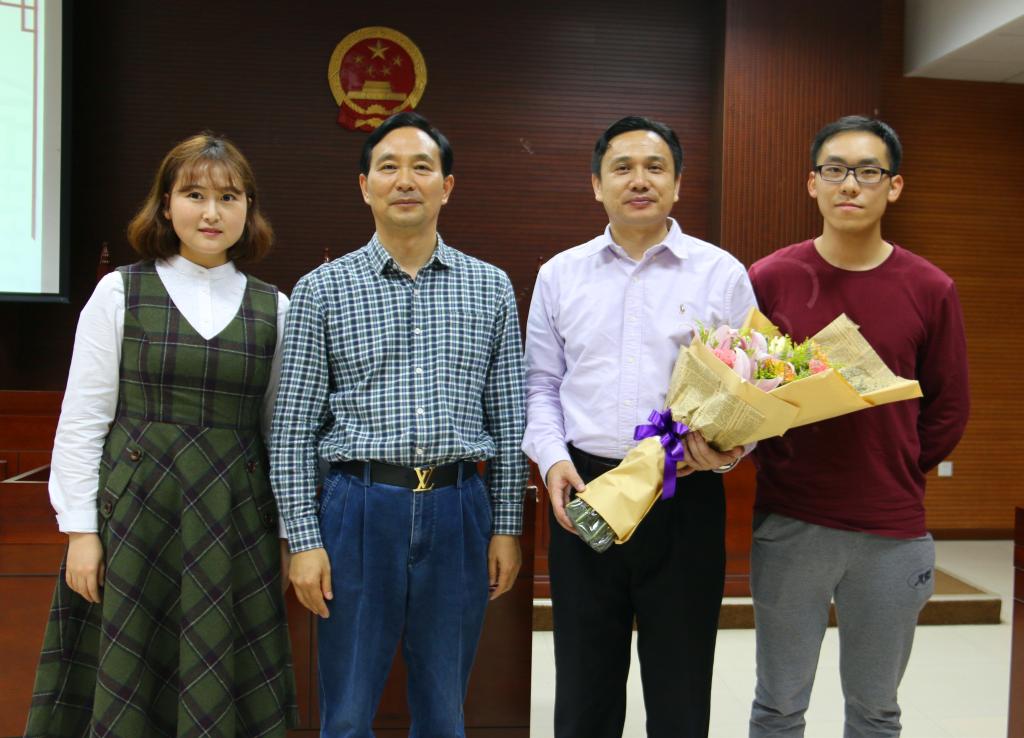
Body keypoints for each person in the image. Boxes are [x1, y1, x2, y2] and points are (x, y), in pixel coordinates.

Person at [26, 133, 298, 737]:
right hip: (135, 522)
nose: (211, 212)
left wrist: (285, 536)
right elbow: (83, 419)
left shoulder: (275, 308)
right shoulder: (120, 292)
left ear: (248, 209)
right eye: (194, 194)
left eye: (229, 197)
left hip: (235, 523)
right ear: (166, 204)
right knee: (129, 686)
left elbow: (279, 434)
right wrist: (80, 531)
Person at [270, 111, 527, 737]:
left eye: (422, 167)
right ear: (365, 186)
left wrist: (506, 528)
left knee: (444, 707)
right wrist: (302, 540)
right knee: (348, 709)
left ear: (447, 186)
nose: (405, 180)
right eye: (388, 167)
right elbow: (292, 429)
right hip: (357, 508)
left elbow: (510, 416)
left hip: (458, 506)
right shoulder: (321, 290)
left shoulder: (490, 287)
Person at [523, 115, 756, 738]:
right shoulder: (560, 274)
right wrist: (552, 460)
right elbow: (540, 385)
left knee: (680, 693)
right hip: (586, 490)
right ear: (596, 184)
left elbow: (754, 390)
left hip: (685, 491)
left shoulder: (721, 274)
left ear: (678, 183)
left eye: (656, 167)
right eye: (622, 168)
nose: (639, 180)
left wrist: (729, 451)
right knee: (584, 691)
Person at [746, 115, 970, 737]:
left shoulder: (931, 287)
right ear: (811, 183)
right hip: (792, 519)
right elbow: (744, 392)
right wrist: (780, 461)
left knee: (876, 710)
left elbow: (949, 407)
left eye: (868, 172)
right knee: (778, 705)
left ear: (893, 186)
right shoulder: (770, 278)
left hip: (891, 529)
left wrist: (894, 464)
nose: (850, 184)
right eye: (835, 170)